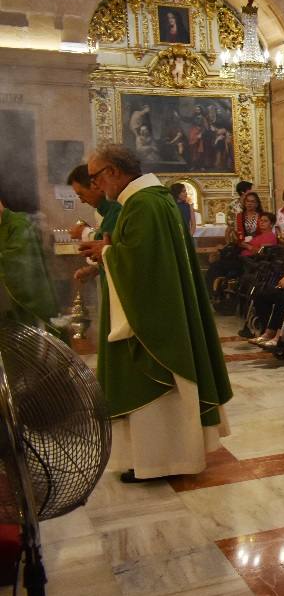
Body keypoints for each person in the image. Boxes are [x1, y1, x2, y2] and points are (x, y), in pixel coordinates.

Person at [77, 145, 231, 483]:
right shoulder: (151, 199)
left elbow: (140, 263)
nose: (96, 186)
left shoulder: (144, 204)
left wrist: (108, 252)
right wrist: (109, 251)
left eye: (95, 177)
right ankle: (158, 459)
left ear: (114, 172)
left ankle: (160, 461)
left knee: (150, 385)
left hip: (152, 320)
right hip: (163, 309)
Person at [0, 195, 57, 329]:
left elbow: (17, 262)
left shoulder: (19, 223)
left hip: (30, 302)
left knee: (31, 344)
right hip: (6, 304)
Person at [67, 163, 122, 283]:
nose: (81, 200)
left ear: (94, 185)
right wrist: (94, 270)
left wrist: (84, 232)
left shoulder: (116, 208)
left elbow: (114, 250)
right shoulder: (104, 211)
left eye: (81, 194)